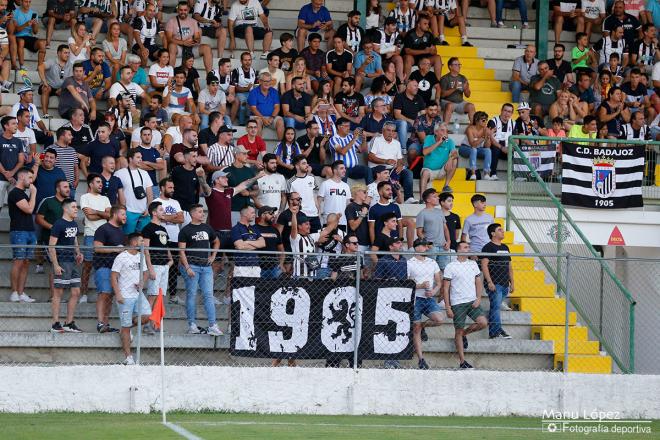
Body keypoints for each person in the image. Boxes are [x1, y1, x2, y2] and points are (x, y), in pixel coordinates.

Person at [178, 203, 223, 336]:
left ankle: (213, 325)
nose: (202, 214)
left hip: (206, 267)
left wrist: (213, 256)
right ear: (192, 214)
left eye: (203, 211)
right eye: (199, 212)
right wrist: (187, 267)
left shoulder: (207, 227)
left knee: (208, 295)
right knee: (191, 295)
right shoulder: (185, 230)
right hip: (193, 266)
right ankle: (192, 324)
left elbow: (217, 241)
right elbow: (181, 251)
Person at [443, 241, 488, 369]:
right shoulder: (451, 266)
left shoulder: (473, 264)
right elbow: (446, 289)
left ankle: (464, 335)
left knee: (483, 323)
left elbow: (478, 282)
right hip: (457, 303)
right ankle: (462, 361)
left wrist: (478, 298)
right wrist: (448, 307)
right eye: (465, 247)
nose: (468, 249)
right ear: (458, 250)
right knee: (458, 330)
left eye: (468, 247)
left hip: (472, 301)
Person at [111, 232, 151, 365]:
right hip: (125, 295)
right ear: (134, 242)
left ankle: (124, 329)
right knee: (127, 327)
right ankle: (128, 357)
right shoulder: (121, 257)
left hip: (138, 294)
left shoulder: (141, 256)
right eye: (141, 241)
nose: (143, 243)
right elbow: (113, 276)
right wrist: (118, 294)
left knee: (147, 316)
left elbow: (145, 272)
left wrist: (142, 283)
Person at [48, 198, 84, 333]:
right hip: (62, 261)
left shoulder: (74, 223)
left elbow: (74, 239)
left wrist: (78, 253)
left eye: (77, 207)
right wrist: (56, 265)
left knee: (76, 291)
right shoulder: (58, 224)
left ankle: (69, 323)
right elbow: (51, 246)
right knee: (58, 292)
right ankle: (55, 323)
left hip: (72, 261)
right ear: (65, 208)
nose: (76, 209)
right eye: (74, 207)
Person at [407, 238, 444, 370]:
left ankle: (422, 326)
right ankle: (421, 359)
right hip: (415, 298)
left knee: (439, 319)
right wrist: (420, 286)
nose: (426, 248)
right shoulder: (409, 263)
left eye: (426, 246)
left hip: (428, 298)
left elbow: (439, 282)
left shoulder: (432, 262)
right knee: (415, 329)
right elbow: (406, 284)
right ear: (416, 248)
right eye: (423, 246)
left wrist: (433, 291)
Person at [93, 205, 127, 333]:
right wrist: (115, 249)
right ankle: (100, 323)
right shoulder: (103, 229)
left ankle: (106, 324)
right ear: (114, 214)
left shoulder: (121, 231)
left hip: (116, 270)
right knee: (104, 293)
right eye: (123, 214)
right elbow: (97, 248)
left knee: (110, 297)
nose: (125, 217)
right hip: (103, 267)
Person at [153, 178, 185, 305]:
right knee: (160, 266)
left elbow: (181, 219)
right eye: (170, 187)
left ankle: (172, 295)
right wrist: (173, 218)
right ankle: (156, 294)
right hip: (160, 239)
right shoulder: (156, 202)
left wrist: (166, 218)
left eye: (173, 187)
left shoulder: (175, 202)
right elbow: (158, 218)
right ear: (162, 188)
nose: (172, 190)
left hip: (174, 238)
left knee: (173, 268)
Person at [80, 173, 111, 302]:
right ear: (90, 184)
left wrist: (97, 212)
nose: (101, 184)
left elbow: (110, 215)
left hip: (105, 237)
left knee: (105, 266)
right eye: (98, 182)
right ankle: (84, 294)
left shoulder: (105, 199)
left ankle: (104, 294)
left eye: (101, 182)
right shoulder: (84, 197)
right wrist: (103, 214)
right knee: (87, 266)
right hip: (90, 235)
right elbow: (90, 217)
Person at [368, 121, 416, 203]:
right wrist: (385, 161)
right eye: (388, 130)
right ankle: (393, 197)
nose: (391, 133)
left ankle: (408, 198)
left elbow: (400, 159)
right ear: (383, 130)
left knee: (408, 173)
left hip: (392, 168)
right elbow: (370, 157)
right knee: (388, 172)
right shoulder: (377, 140)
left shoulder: (396, 143)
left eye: (393, 131)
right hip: (378, 168)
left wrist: (400, 165)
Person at [8, 168, 36, 303]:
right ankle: (14, 292)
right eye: (30, 178)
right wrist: (34, 193)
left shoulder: (24, 194)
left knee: (26, 262)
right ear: (22, 177)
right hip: (19, 231)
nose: (31, 181)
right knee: (18, 261)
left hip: (30, 230)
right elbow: (29, 209)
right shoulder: (15, 193)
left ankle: (21, 292)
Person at [481, 222, 514, 339]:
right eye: (500, 230)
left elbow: (509, 266)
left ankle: (496, 331)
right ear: (493, 233)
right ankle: (496, 332)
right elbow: (484, 265)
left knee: (496, 307)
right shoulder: (488, 247)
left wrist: (512, 282)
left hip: (505, 284)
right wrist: (489, 282)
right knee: (495, 308)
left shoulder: (505, 247)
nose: (503, 231)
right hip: (495, 284)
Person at [141, 201, 173, 315]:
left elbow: (166, 245)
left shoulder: (163, 229)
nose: (163, 211)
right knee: (152, 295)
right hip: (154, 265)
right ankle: (145, 323)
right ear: (154, 213)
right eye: (160, 209)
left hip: (164, 266)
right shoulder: (147, 228)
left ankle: (154, 323)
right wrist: (150, 268)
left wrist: (171, 260)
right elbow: (146, 249)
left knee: (160, 296)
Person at [165, 1, 213, 73]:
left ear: (188, 10)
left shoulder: (193, 22)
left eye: (185, 10)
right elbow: (169, 38)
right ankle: (170, 74)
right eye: (181, 10)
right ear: (178, 10)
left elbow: (197, 37)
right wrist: (183, 42)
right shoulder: (171, 21)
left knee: (207, 48)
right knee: (171, 46)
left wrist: (194, 40)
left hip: (191, 47)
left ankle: (209, 76)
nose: (183, 12)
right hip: (179, 48)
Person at [113, 149, 154, 233]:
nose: (140, 159)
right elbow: (116, 194)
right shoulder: (119, 173)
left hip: (144, 212)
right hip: (128, 212)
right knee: (127, 238)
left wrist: (148, 208)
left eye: (141, 157)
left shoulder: (145, 173)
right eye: (138, 157)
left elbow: (149, 193)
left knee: (143, 239)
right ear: (130, 159)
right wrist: (122, 211)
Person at [328, 118, 372, 184]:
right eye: (346, 126)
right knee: (342, 172)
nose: (348, 128)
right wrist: (354, 139)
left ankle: (371, 191)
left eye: (349, 126)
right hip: (341, 168)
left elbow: (362, 150)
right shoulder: (333, 139)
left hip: (354, 168)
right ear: (339, 127)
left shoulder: (351, 136)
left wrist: (364, 140)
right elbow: (342, 152)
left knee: (367, 170)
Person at [401, 13, 443, 81]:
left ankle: (437, 83)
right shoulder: (410, 34)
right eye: (425, 24)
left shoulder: (429, 35)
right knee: (408, 57)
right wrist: (424, 51)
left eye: (428, 24)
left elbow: (435, 51)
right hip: (413, 58)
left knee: (437, 58)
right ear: (419, 25)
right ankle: (406, 83)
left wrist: (432, 51)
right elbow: (407, 51)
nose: (427, 26)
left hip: (424, 59)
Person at [416, 188, 451, 269]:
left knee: (444, 269)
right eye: (435, 197)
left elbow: (445, 228)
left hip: (443, 246)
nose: (438, 198)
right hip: (431, 248)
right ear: (428, 200)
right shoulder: (422, 213)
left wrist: (448, 241)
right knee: (430, 269)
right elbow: (419, 232)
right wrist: (428, 244)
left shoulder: (439, 211)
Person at [439, 57, 475, 132]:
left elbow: (468, 95)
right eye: (456, 64)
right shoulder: (445, 78)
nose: (458, 66)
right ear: (450, 66)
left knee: (471, 106)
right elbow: (442, 95)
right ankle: (444, 128)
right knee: (450, 105)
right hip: (447, 102)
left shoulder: (462, 78)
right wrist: (454, 88)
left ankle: (472, 128)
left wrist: (466, 89)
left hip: (460, 102)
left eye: (459, 64)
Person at [286, 155, 321, 232]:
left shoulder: (312, 177)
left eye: (307, 163)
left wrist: (318, 207)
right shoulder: (290, 182)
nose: (307, 165)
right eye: (304, 163)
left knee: (318, 239)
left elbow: (314, 193)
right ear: (297, 166)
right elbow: (289, 200)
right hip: (301, 215)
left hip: (314, 215)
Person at [420, 122, 458, 194]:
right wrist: (439, 142)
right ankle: (422, 198)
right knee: (425, 173)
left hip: (442, 171)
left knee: (454, 160)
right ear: (436, 132)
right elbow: (424, 152)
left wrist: (450, 159)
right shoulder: (429, 138)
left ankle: (446, 186)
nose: (445, 133)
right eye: (442, 130)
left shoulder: (449, 141)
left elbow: (455, 154)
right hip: (429, 171)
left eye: (446, 131)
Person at [36, 44, 72, 118]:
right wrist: (44, 82)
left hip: (61, 88)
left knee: (71, 90)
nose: (67, 55)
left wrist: (62, 88)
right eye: (65, 53)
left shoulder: (70, 65)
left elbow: (70, 79)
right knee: (46, 88)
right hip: (50, 86)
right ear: (59, 53)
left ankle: (68, 115)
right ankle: (45, 114)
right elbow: (40, 67)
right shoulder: (51, 61)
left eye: (68, 53)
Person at [9, 0, 47, 69]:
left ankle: (39, 67)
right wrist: (25, 24)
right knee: (21, 41)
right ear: (21, 2)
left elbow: (35, 32)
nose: (28, 4)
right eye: (26, 2)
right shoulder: (15, 12)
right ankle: (22, 65)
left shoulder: (34, 13)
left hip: (29, 37)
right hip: (18, 36)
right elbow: (15, 30)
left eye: (29, 2)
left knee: (43, 43)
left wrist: (34, 25)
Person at [248, 71, 285, 139]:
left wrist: (272, 117)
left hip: (271, 117)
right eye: (265, 81)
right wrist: (263, 118)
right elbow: (253, 108)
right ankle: (258, 147)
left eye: (269, 81)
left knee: (280, 120)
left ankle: (281, 146)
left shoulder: (274, 92)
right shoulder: (254, 92)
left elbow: (277, 107)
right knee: (257, 122)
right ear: (260, 81)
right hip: (257, 117)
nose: (267, 83)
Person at [231, 205, 265, 277]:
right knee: (241, 288)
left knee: (254, 288)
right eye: (252, 213)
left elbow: (263, 243)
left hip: (255, 266)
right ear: (245, 214)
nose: (255, 215)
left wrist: (247, 242)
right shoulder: (236, 228)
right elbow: (240, 246)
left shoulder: (254, 228)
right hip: (242, 267)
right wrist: (256, 245)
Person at [393, 79, 426, 152]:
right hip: (400, 123)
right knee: (403, 123)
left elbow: (423, 114)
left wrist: (418, 122)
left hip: (414, 124)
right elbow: (397, 115)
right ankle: (403, 148)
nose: (417, 87)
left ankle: (426, 147)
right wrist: (411, 121)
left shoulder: (419, 97)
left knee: (423, 124)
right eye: (415, 86)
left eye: (417, 86)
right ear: (408, 87)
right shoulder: (399, 97)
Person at [459, 112, 494, 181]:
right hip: (465, 148)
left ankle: (487, 174)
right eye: (483, 120)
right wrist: (484, 137)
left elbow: (487, 146)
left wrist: (488, 137)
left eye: (486, 120)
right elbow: (473, 144)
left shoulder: (486, 129)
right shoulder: (470, 129)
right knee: (473, 149)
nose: (485, 122)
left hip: (477, 149)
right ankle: (473, 173)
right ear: (476, 120)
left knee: (488, 151)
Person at [253, 205, 285, 279]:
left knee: (275, 290)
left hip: (274, 268)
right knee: (258, 290)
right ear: (262, 215)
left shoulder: (275, 230)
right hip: (257, 268)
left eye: (274, 213)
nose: (273, 215)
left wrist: (281, 264)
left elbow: (281, 250)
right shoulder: (253, 229)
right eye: (271, 213)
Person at [318, 160, 351, 228]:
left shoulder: (346, 186)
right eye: (341, 168)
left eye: (345, 168)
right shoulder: (325, 184)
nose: (344, 170)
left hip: (342, 222)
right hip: (328, 221)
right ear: (335, 170)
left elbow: (348, 204)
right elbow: (318, 202)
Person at [486, 103, 514, 180]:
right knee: (495, 149)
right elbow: (491, 138)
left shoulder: (513, 123)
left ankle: (517, 176)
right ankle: (493, 174)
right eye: (505, 110)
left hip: (508, 149)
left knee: (518, 151)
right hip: (496, 148)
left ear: (511, 113)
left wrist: (511, 148)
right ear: (501, 111)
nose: (506, 113)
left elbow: (516, 140)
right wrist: (502, 147)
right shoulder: (493, 121)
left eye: (509, 111)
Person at [345, 184, 370, 252]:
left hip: (369, 243)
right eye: (364, 192)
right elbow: (353, 226)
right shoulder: (351, 207)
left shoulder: (366, 207)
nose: (367, 195)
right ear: (357, 192)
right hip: (357, 244)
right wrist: (362, 214)